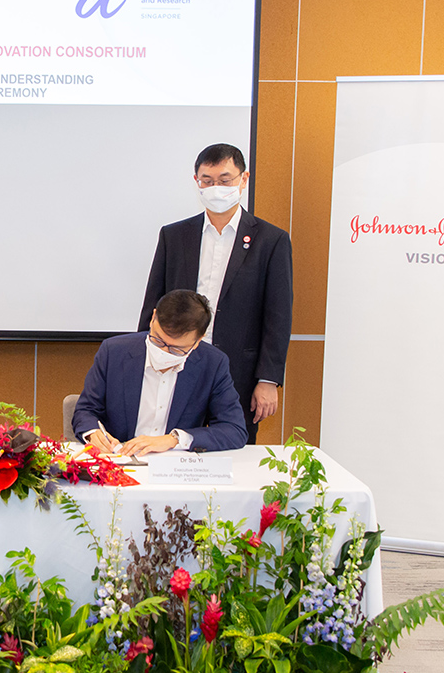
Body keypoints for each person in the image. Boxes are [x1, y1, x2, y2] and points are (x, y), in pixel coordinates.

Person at [137, 143, 292, 444]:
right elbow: (154, 304)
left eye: (225, 179)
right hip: (175, 364)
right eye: (207, 180)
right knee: (170, 447)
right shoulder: (175, 236)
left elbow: (278, 315)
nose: (215, 188)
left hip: (239, 373)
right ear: (197, 182)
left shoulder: (271, 240)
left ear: (243, 180)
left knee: (233, 451)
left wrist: (268, 380)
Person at [74, 290, 247, 456]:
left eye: (176, 350)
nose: (164, 352)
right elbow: (86, 410)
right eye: (157, 340)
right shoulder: (114, 352)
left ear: (198, 340)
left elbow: (234, 429)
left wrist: (174, 439)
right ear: (153, 317)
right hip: (120, 461)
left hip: (176, 468)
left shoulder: (213, 363)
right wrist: (92, 433)